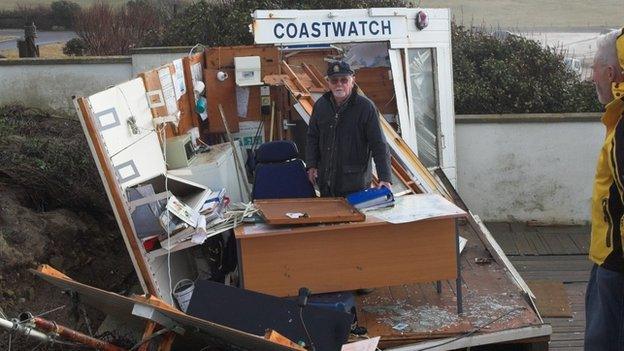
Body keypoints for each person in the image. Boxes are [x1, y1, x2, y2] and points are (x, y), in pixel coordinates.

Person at [585, 28, 624, 351]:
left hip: (617, 265)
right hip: (607, 258)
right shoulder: (618, 118)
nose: (591, 76)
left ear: (611, 73)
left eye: (594, 67)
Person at [305, 60, 392, 197]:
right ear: (328, 83)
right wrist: (311, 165)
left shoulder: (365, 108)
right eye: (334, 81)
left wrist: (385, 178)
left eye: (344, 80)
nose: (339, 84)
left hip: (355, 184)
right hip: (326, 182)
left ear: (352, 81)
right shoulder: (321, 106)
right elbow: (312, 137)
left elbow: (379, 144)